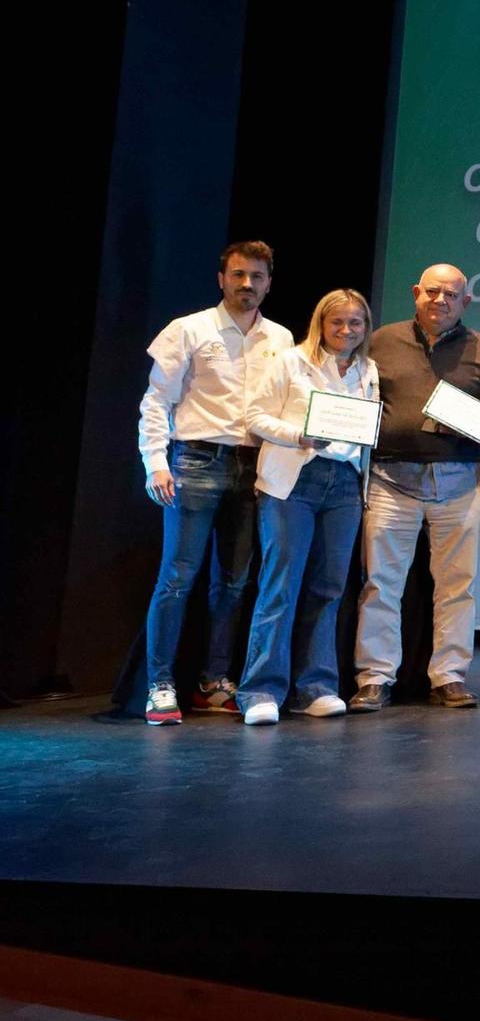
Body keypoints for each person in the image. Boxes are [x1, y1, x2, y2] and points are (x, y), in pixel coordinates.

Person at [136, 240, 293, 725]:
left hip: (254, 466)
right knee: (177, 578)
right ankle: (160, 684)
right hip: (196, 461)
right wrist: (154, 462)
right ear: (222, 278)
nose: (248, 285)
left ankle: (213, 681)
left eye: (258, 277)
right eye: (239, 275)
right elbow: (155, 401)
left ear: (269, 282)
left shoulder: (282, 338)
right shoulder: (189, 329)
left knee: (233, 582)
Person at [351, 264, 480, 711]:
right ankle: (375, 677)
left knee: (456, 584)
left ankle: (449, 676)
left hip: (459, 482)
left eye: (451, 294)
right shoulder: (381, 340)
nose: (440, 300)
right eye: (432, 291)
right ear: (415, 293)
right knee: (380, 584)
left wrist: (476, 426)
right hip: (390, 480)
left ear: (466, 301)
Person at [237, 289, 378, 725]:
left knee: (329, 588)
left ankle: (314, 687)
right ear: (321, 322)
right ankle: (260, 690)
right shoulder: (290, 362)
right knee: (280, 586)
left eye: (355, 322)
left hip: (344, 487)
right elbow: (255, 416)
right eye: (337, 322)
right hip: (294, 480)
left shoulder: (368, 369)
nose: (346, 330)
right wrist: (299, 435)